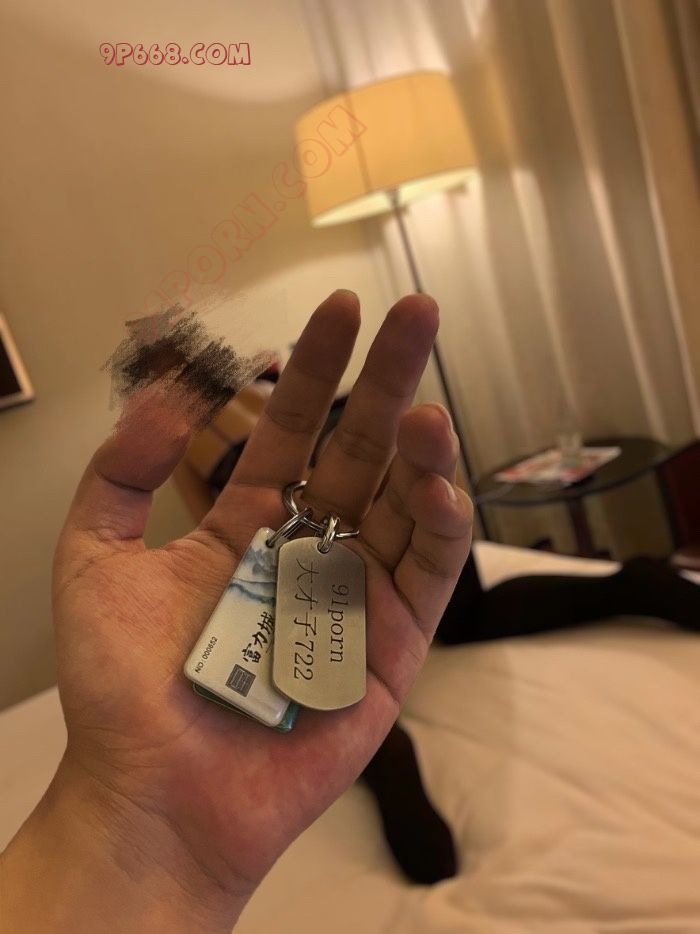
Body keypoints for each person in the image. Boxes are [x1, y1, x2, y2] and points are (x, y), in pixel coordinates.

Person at [0, 290, 473, 932]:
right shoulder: (194, 444)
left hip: (369, 549)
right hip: (296, 565)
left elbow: (338, 456)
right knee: (324, 689)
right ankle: (387, 756)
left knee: (458, 609)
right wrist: (248, 566)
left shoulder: (267, 389)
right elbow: (219, 527)